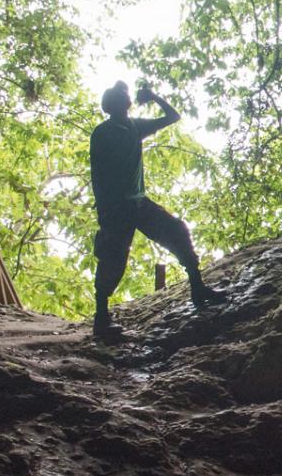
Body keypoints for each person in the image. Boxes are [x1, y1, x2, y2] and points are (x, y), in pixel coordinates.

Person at [89, 80, 223, 341]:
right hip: (116, 207)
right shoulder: (102, 133)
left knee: (176, 230)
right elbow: (98, 175)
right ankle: (101, 318)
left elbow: (172, 116)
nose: (126, 99)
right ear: (112, 105)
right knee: (112, 257)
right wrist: (105, 211)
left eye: (126, 96)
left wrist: (154, 97)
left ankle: (197, 287)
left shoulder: (134, 126)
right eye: (121, 96)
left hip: (138, 203)